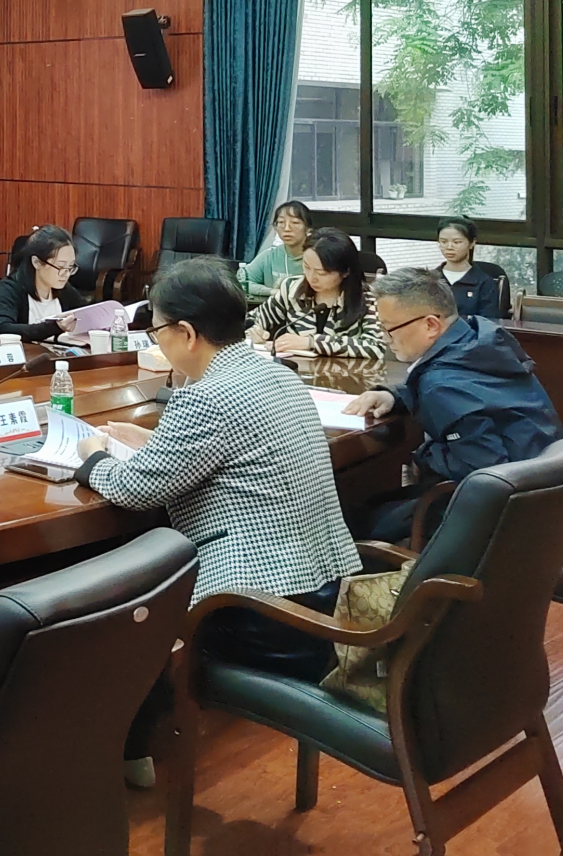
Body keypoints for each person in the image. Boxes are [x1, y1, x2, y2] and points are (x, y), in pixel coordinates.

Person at [73, 259, 357, 785]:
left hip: (258, 615)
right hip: (322, 595)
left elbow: (135, 490)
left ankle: (129, 752)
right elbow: (228, 455)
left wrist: (93, 459)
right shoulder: (277, 374)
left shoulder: (206, 396)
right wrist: (154, 444)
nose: (157, 341)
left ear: (186, 333)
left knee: (119, 613)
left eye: (158, 330)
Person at [346, 268, 563, 544]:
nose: (385, 338)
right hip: (545, 488)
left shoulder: (440, 386)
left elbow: (483, 472)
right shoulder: (476, 338)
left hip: (505, 514)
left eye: (389, 329)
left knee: (353, 522)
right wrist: (394, 395)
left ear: (430, 325)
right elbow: (469, 391)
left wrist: (425, 454)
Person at [248, 227, 389, 359]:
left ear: (346, 271)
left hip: (347, 373)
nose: (311, 277)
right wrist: (254, 330)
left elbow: (376, 346)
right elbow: (250, 320)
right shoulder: (292, 288)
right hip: (297, 370)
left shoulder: (368, 298)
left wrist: (311, 342)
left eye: (322, 273)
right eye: (306, 267)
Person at [0, 224, 89, 343]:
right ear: (36, 262)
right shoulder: (9, 289)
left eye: (70, 267)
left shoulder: (64, 290)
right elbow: (2, 329)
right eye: (61, 266)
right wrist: (53, 327)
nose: (66, 274)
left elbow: (86, 313)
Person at [432, 216, 510, 320]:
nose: (449, 247)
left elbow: (488, 322)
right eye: (444, 242)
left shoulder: (485, 283)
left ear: (472, 243)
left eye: (457, 242)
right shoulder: (428, 280)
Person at [238, 199, 312, 303]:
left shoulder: (317, 258)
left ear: (308, 228)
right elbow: (241, 283)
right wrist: (272, 292)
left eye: (295, 222)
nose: (287, 228)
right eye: (281, 222)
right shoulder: (269, 256)